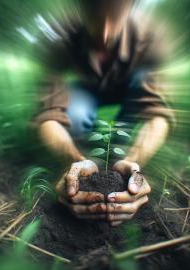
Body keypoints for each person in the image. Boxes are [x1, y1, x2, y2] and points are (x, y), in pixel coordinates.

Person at [31, 0, 175, 227]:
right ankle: (87, 147)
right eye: (94, 12)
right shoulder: (60, 36)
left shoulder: (151, 36)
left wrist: (135, 161)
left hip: (130, 91)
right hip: (87, 90)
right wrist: (73, 160)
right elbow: (48, 113)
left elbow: (158, 112)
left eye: (116, 14)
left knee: (141, 82)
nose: (106, 33)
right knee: (75, 117)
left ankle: (121, 140)